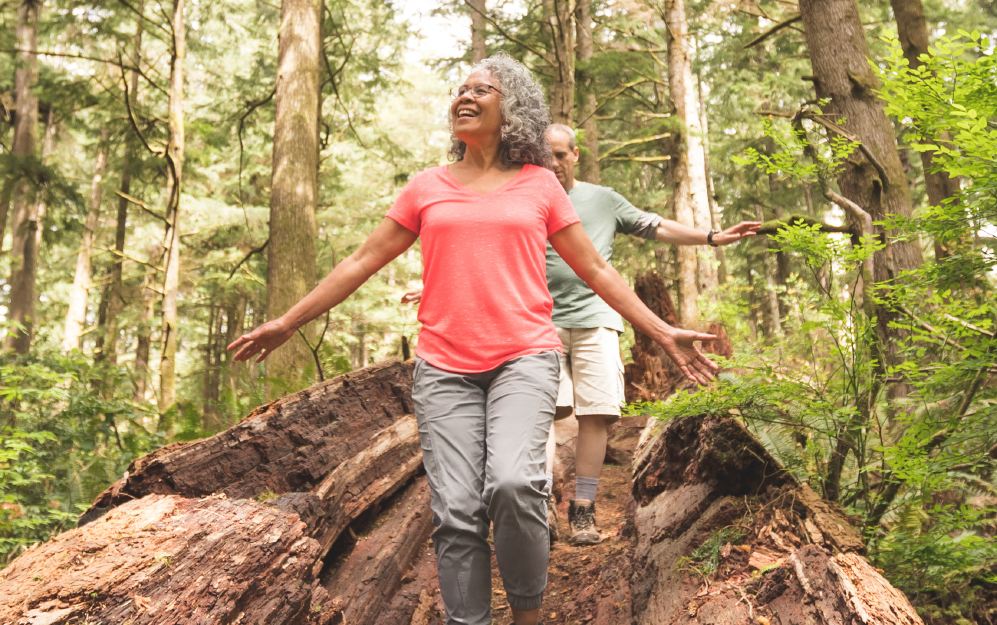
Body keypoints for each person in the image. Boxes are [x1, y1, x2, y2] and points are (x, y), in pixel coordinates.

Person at [227, 56, 719, 625]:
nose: (465, 96)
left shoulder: (539, 184)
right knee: (457, 509)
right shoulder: (426, 187)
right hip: (443, 367)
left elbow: (596, 270)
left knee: (514, 484)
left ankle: (528, 616)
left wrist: (659, 332)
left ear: (512, 108)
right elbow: (362, 259)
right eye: (460, 89)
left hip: (525, 357)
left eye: (481, 89)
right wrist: (288, 321)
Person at [536, 124, 762, 546]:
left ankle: (582, 510)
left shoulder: (601, 200)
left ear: (575, 156)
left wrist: (712, 237)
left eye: (561, 155)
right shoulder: (526, 197)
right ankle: (542, 502)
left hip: (597, 319)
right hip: (539, 321)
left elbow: (654, 227)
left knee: (595, 414)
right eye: (545, 155)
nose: (553, 164)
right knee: (544, 413)